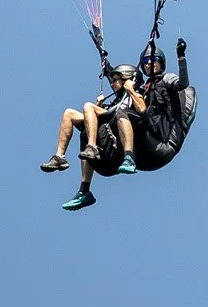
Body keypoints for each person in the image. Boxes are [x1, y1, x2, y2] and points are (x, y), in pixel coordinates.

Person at [41, 64, 145, 210]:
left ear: (127, 79)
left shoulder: (134, 94)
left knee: (88, 106)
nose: (113, 84)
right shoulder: (116, 101)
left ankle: (94, 148)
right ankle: (61, 159)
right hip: (109, 128)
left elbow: (142, 109)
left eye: (116, 80)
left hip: (119, 137)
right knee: (69, 113)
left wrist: (131, 90)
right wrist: (100, 106)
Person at [133, 37, 196, 169]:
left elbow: (183, 83)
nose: (148, 63)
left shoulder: (166, 79)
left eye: (153, 59)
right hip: (146, 153)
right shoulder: (145, 89)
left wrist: (181, 57)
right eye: (145, 62)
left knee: (129, 116)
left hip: (161, 140)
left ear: (160, 62)